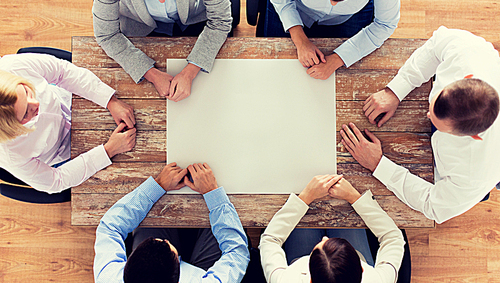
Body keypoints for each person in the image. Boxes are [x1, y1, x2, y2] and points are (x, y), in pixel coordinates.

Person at [340, 26, 500, 223]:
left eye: (438, 123)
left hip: (479, 169)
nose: (426, 114)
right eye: (433, 105)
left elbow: (433, 205)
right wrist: (397, 90)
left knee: (467, 196)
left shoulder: (474, 174)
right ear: (466, 78)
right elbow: (435, 46)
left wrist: (378, 164)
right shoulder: (467, 52)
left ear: (473, 136)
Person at [93, 0, 232, 101]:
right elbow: (107, 35)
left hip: (194, 19)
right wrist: (151, 74)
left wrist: (190, 72)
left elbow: (220, 19)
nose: (161, 1)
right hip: (141, 27)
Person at [0, 52, 136, 193]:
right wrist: (109, 150)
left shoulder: (13, 66)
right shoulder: (9, 154)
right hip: (62, 153)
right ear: (13, 129)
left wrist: (109, 100)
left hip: (68, 99)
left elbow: (61, 72)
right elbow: (55, 181)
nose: (36, 103)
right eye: (26, 113)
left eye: (27, 92)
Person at [94, 162, 250, 283]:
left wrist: (158, 185)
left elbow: (109, 227)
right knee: (227, 220)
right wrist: (212, 194)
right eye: (167, 244)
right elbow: (237, 253)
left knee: (151, 216)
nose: (165, 241)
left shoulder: (109, 278)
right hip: (201, 272)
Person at [266, 0, 400, 80]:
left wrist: (337, 59)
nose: (333, 4)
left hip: (349, 16)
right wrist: (299, 39)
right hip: (295, 5)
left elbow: (385, 24)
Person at [259, 174, 405, 282]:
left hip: (299, 260)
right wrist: (353, 197)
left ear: (310, 280)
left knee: (302, 183)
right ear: (361, 269)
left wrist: (306, 197)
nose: (325, 238)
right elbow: (394, 238)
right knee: (342, 206)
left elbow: (270, 240)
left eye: (321, 244)